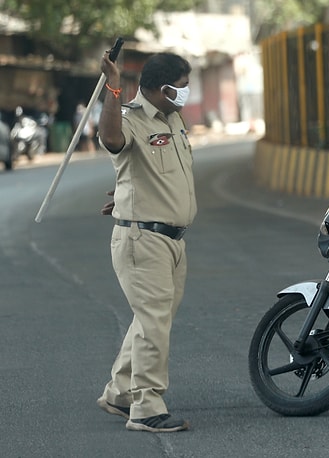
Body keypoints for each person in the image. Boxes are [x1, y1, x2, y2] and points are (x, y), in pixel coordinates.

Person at [95, 51, 196, 433]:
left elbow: (153, 174)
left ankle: (120, 393)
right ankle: (146, 407)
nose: (187, 93)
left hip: (171, 240)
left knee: (153, 318)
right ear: (165, 88)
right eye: (183, 87)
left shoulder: (174, 119)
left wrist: (126, 192)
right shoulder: (130, 119)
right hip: (144, 239)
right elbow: (110, 138)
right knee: (154, 322)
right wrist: (114, 86)